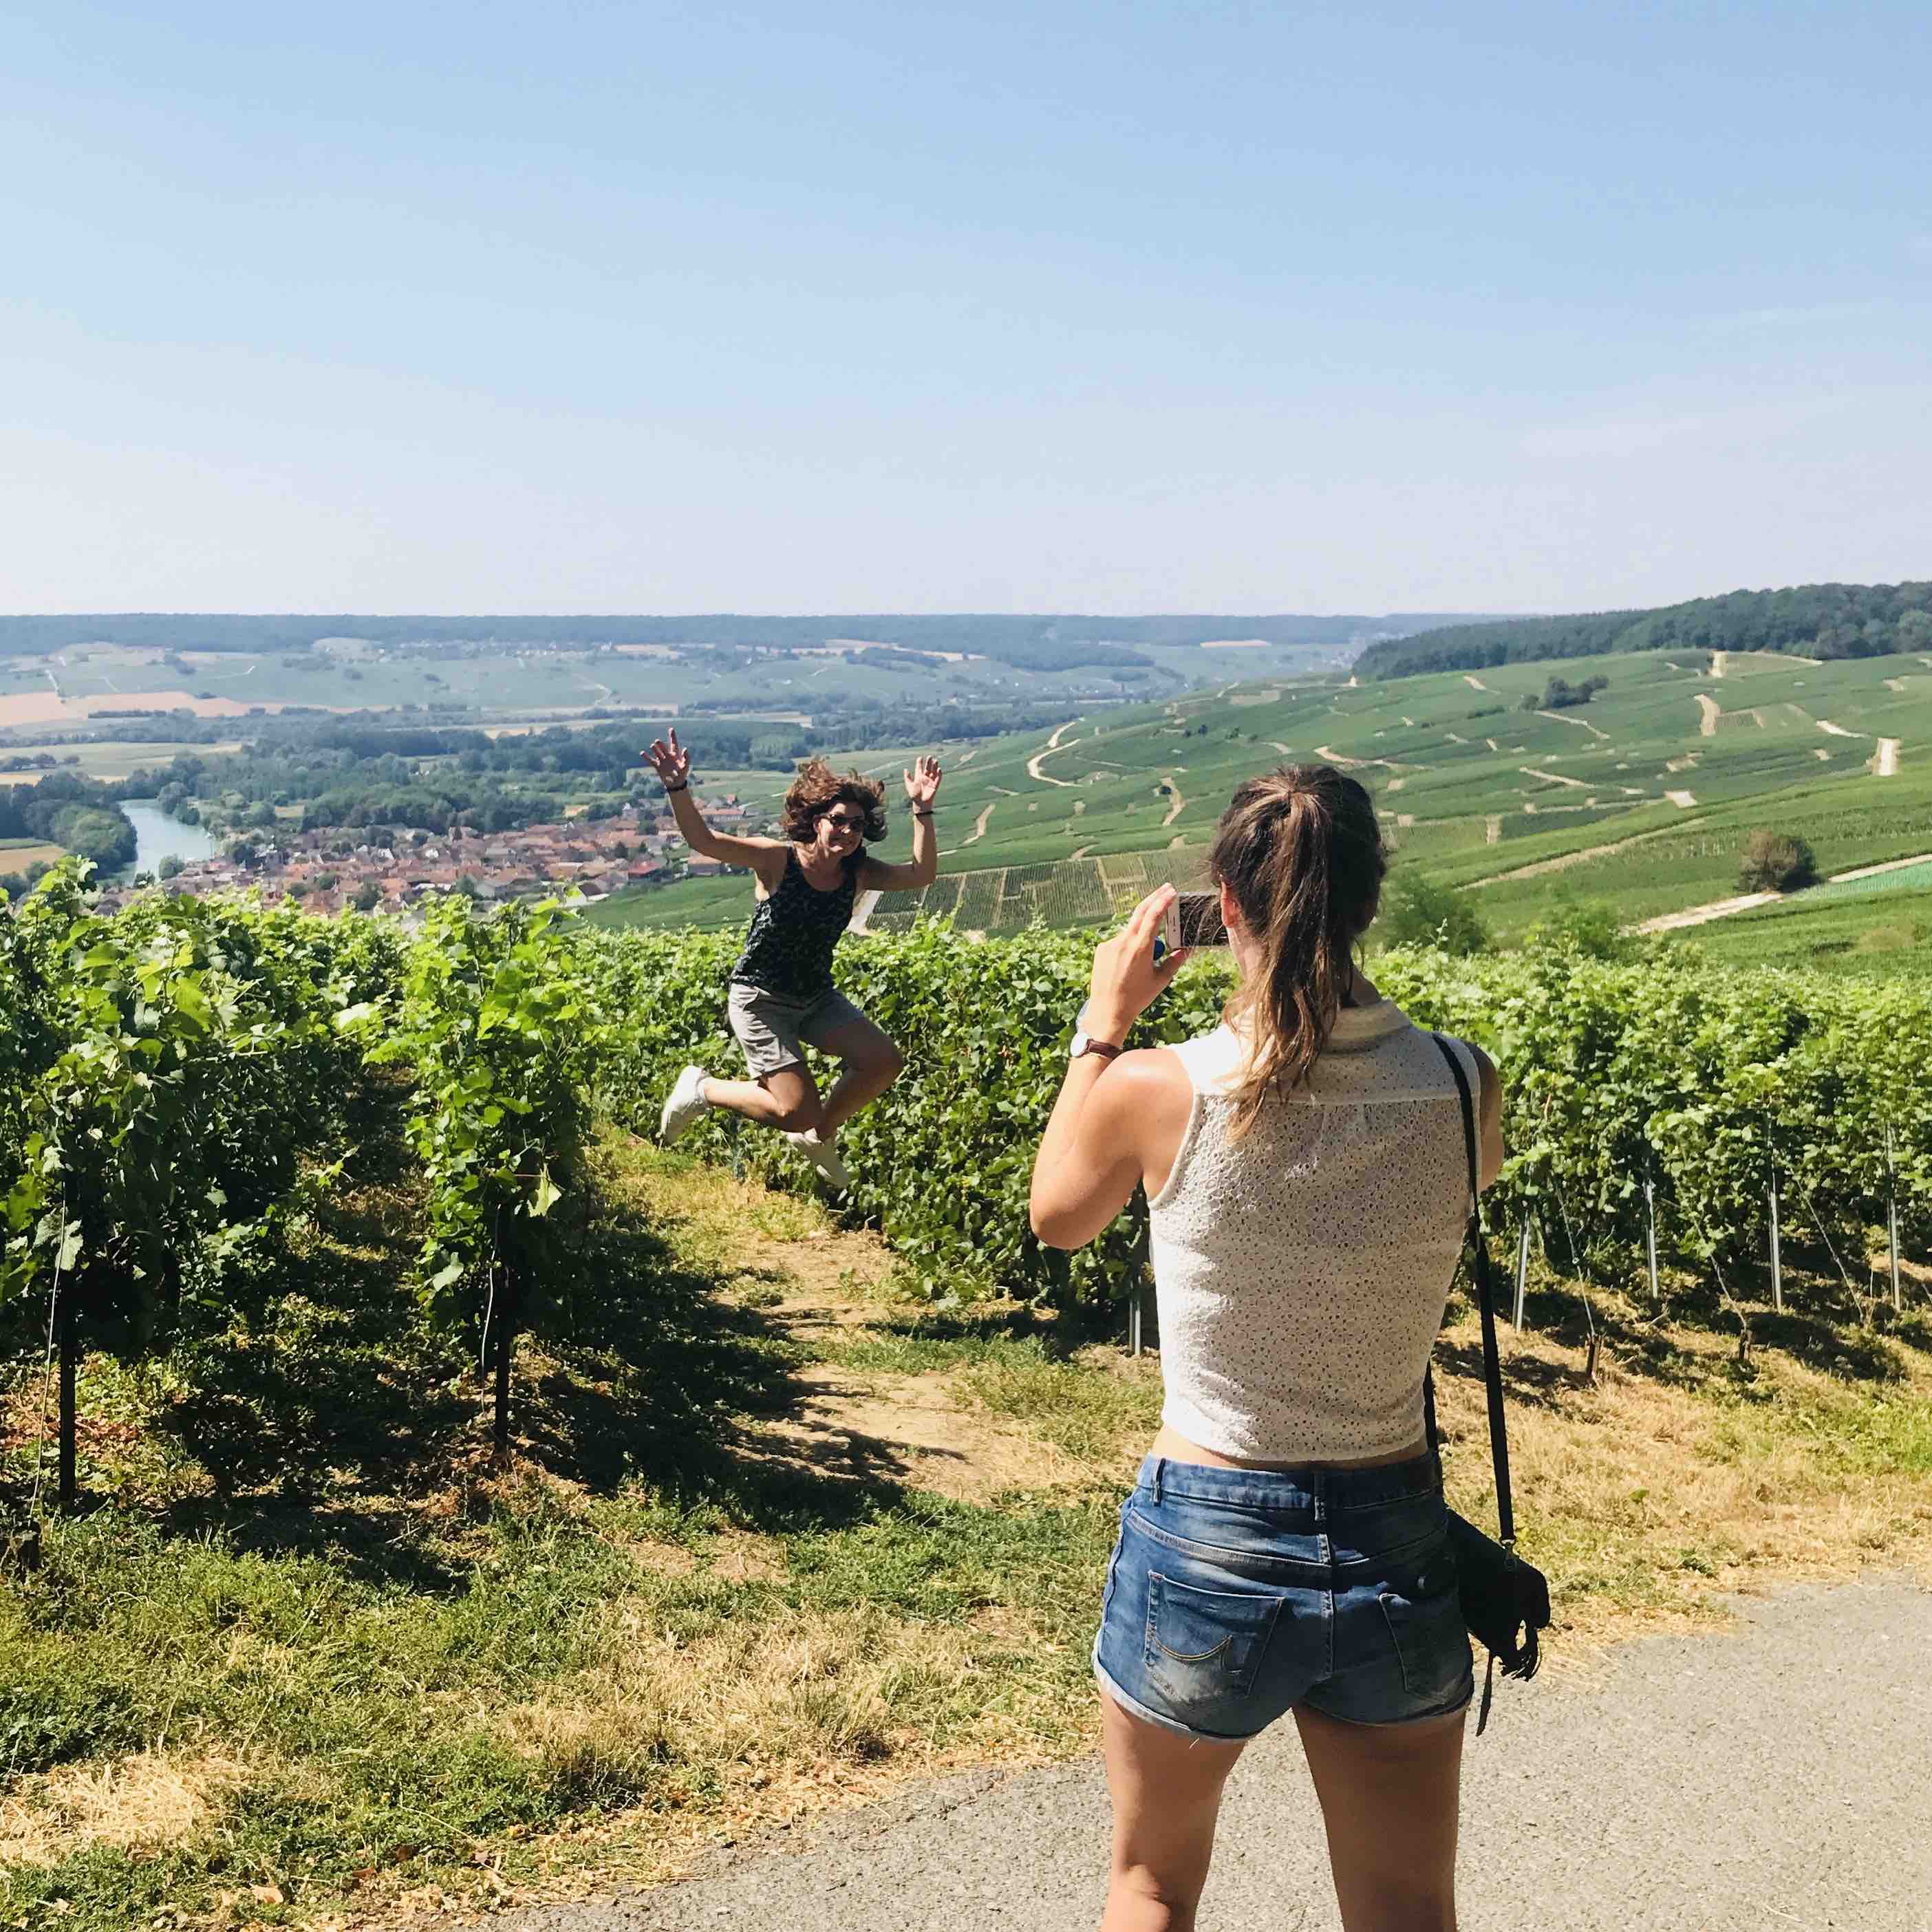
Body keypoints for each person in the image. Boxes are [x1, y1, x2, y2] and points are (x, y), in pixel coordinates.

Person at [1029, 765, 1504, 1932]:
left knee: (1149, 1883)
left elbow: (1055, 1212)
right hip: (1394, 1532)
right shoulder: (1459, 1082)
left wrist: (1105, 1020)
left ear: (1222, 906)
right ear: (1369, 901)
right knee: (1403, 1906)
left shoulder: (1157, 1087)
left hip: (1207, 1529)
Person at [648, 727, 942, 1188]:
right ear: (816, 818)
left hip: (815, 998)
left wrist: (922, 809)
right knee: (792, 1110)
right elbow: (704, 841)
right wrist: (678, 788)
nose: (846, 832)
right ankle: (701, 1089)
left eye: (857, 825)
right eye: (838, 819)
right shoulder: (778, 861)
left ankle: (817, 1136)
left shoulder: (857, 872)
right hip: (760, 999)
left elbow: (922, 873)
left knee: (883, 1061)